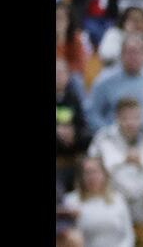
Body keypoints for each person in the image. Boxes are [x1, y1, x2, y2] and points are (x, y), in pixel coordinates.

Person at [88, 97, 143, 247]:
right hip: (112, 196)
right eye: (126, 118)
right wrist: (123, 160)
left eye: (135, 118)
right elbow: (89, 167)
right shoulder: (103, 138)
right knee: (96, 176)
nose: (131, 123)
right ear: (117, 118)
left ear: (141, 118)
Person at [84, 33, 143, 138]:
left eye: (138, 52)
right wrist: (106, 132)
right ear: (121, 54)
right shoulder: (104, 81)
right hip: (113, 141)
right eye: (130, 52)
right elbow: (92, 113)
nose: (133, 57)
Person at [62, 155, 136, 247]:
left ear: (104, 174)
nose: (92, 177)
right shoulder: (71, 201)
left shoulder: (118, 199)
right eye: (87, 173)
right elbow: (67, 236)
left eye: (95, 172)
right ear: (81, 177)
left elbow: (128, 234)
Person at [57, 58, 95, 194]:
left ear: (68, 76)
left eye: (61, 73)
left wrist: (73, 132)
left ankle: (84, 175)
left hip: (72, 142)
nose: (58, 77)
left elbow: (81, 122)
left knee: (89, 137)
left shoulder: (73, 97)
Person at [57, 0, 93, 88]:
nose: (58, 22)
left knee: (76, 79)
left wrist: (64, 71)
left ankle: (83, 102)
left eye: (62, 18)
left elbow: (80, 65)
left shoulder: (76, 38)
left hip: (68, 76)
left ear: (69, 20)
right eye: (56, 18)